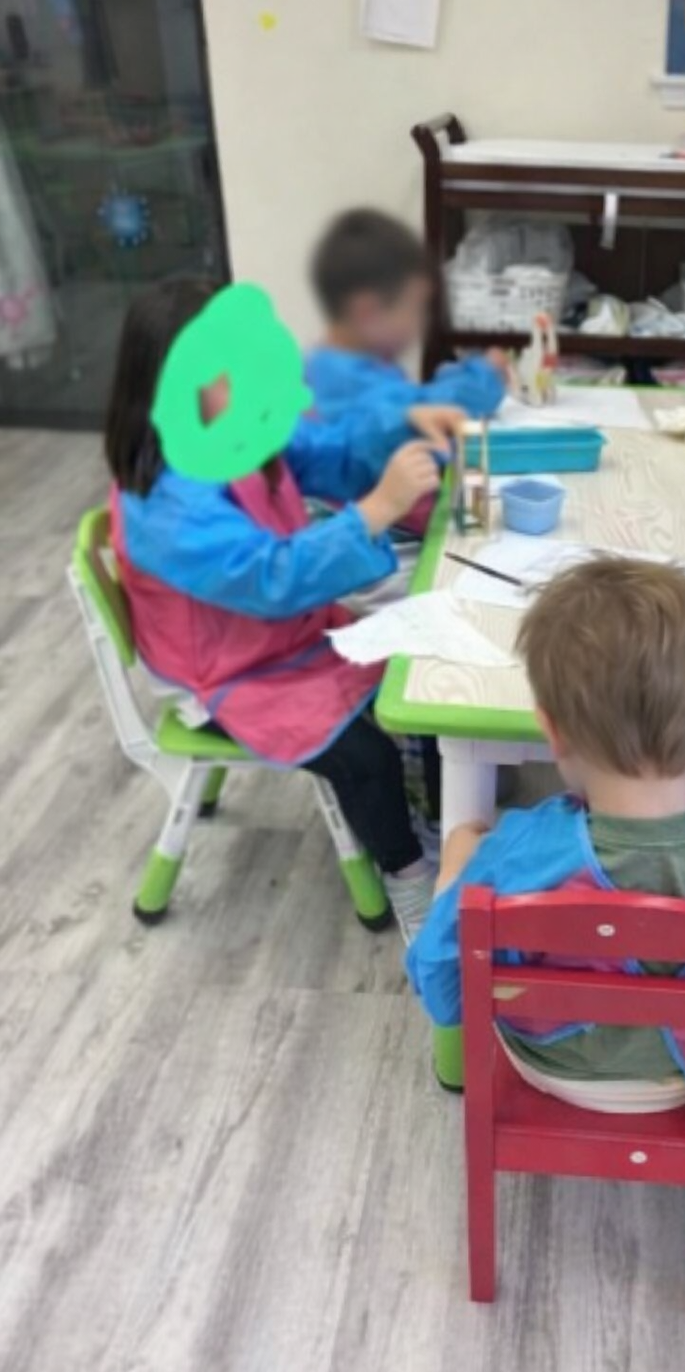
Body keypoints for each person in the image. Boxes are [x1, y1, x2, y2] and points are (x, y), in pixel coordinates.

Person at [406, 559, 685, 1114]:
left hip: (552, 1065)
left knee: (463, 850)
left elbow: (443, 992)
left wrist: (457, 862)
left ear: (552, 731)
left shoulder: (519, 856)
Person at [105, 277, 456, 943]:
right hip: (230, 673)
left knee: (435, 677)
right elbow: (269, 577)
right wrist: (377, 508)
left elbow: (323, 453)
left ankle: (446, 829)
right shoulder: (162, 504)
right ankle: (411, 880)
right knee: (366, 759)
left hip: (290, 634)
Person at [304, 207, 507, 435]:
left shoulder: (331, 367)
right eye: (416, 307)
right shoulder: (344, 382)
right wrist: (486, 374)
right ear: (367, 312)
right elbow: (428, 408)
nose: (422, 322)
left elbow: (413, 396)